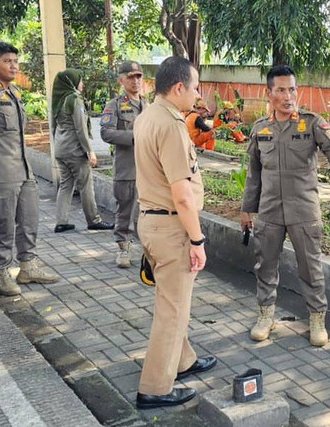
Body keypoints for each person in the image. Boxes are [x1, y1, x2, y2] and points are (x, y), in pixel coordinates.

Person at [241, 65, 330, 347]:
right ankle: (266, 316)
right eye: (281, 90)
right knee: (265, 266)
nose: (288, 96)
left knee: (310, 268)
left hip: (304, 210)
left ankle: (317, 319)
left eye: (292, 89)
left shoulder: (313, 123)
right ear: (270, 93)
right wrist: (246, 209)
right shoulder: (260, 129)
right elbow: (254, 173)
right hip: (269, 212)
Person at [133, 56, 216, 409]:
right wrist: (197, 240)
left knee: (172, 301)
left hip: (153, 221)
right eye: (195, 87)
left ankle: (182, 360)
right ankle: (154, 387)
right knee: (173, 309)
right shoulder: (170, 125)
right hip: (171, 227)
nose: (197, 95)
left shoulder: (147, 116)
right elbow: (182, 194)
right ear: (179, 87)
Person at [0, 42, 59, 295]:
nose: (14, 65)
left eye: (15, 61)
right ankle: (2, 271)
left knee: (29, 221)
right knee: (3, 225)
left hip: (24, 170)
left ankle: (28, 266)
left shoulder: (15, 92)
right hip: (0, 173)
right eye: (7, 61)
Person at [52, 69, 114, 233]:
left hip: (61, 149)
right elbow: (80, 129)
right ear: (72, 82)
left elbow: (54, 126)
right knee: (86, 185)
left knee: (65, 185)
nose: (82, 83)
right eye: (79, 80)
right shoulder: (74, 99)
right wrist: (90, 151)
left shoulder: (59, 100)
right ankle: (94, 220)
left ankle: (61, 222)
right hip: (74, 150)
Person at [100, 61, 148, 267]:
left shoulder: (149, 105)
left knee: (149, 212)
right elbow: (106, 132)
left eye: (138, 77)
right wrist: (134, 136)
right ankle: (123, 249)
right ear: (121, 80)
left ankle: (149, 250)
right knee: (125, 210)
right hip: (127, 168)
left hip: (148, 170)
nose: (135, 81)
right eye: (130, 77)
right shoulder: (115, 105)